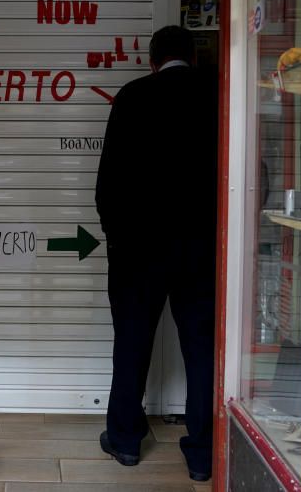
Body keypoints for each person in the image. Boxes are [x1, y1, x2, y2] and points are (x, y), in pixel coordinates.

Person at [95, 25, 218, 482]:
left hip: (138, 252)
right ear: (194, 57)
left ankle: (125, 441)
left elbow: (107, 184)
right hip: (202, 249)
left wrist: (116, 239)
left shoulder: (132, 96)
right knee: (202, 351)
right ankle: (203, 455)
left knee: (130, 345)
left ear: (152, 60)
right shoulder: (218, 94)